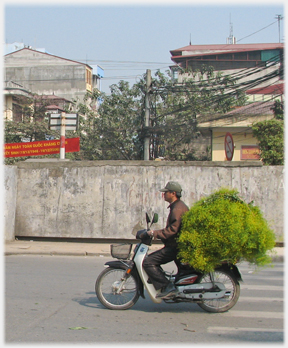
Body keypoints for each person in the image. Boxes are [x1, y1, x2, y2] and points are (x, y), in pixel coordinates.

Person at [142, 181, 189, 298]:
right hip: (175, 244)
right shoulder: (177, 206)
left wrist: (154, 233)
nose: (164, 194)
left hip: (175, 247)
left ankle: (168, 287)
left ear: (173, 193)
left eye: (166, 192)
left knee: (148, 262)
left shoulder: (177, 208)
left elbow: (172, 230)